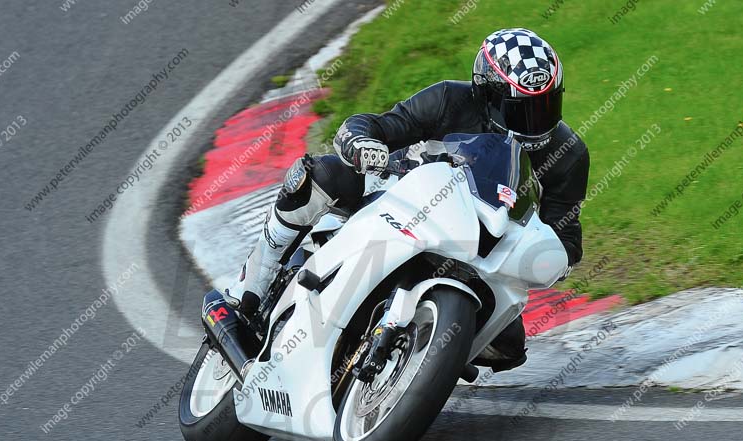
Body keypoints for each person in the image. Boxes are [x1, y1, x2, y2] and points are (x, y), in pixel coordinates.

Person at [230, 28, 589, 372]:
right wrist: (362, 144)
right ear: (487, 95)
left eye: (545, 106)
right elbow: (378, 126)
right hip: (396, 202)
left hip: (480, 244)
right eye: (521, 110)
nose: (535, 122)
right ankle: (257, 280)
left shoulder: (567, 154)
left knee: (509, 344)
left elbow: (566, 233)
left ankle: (424, 362)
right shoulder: (449, 99)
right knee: (322, 175)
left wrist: (551, 255)